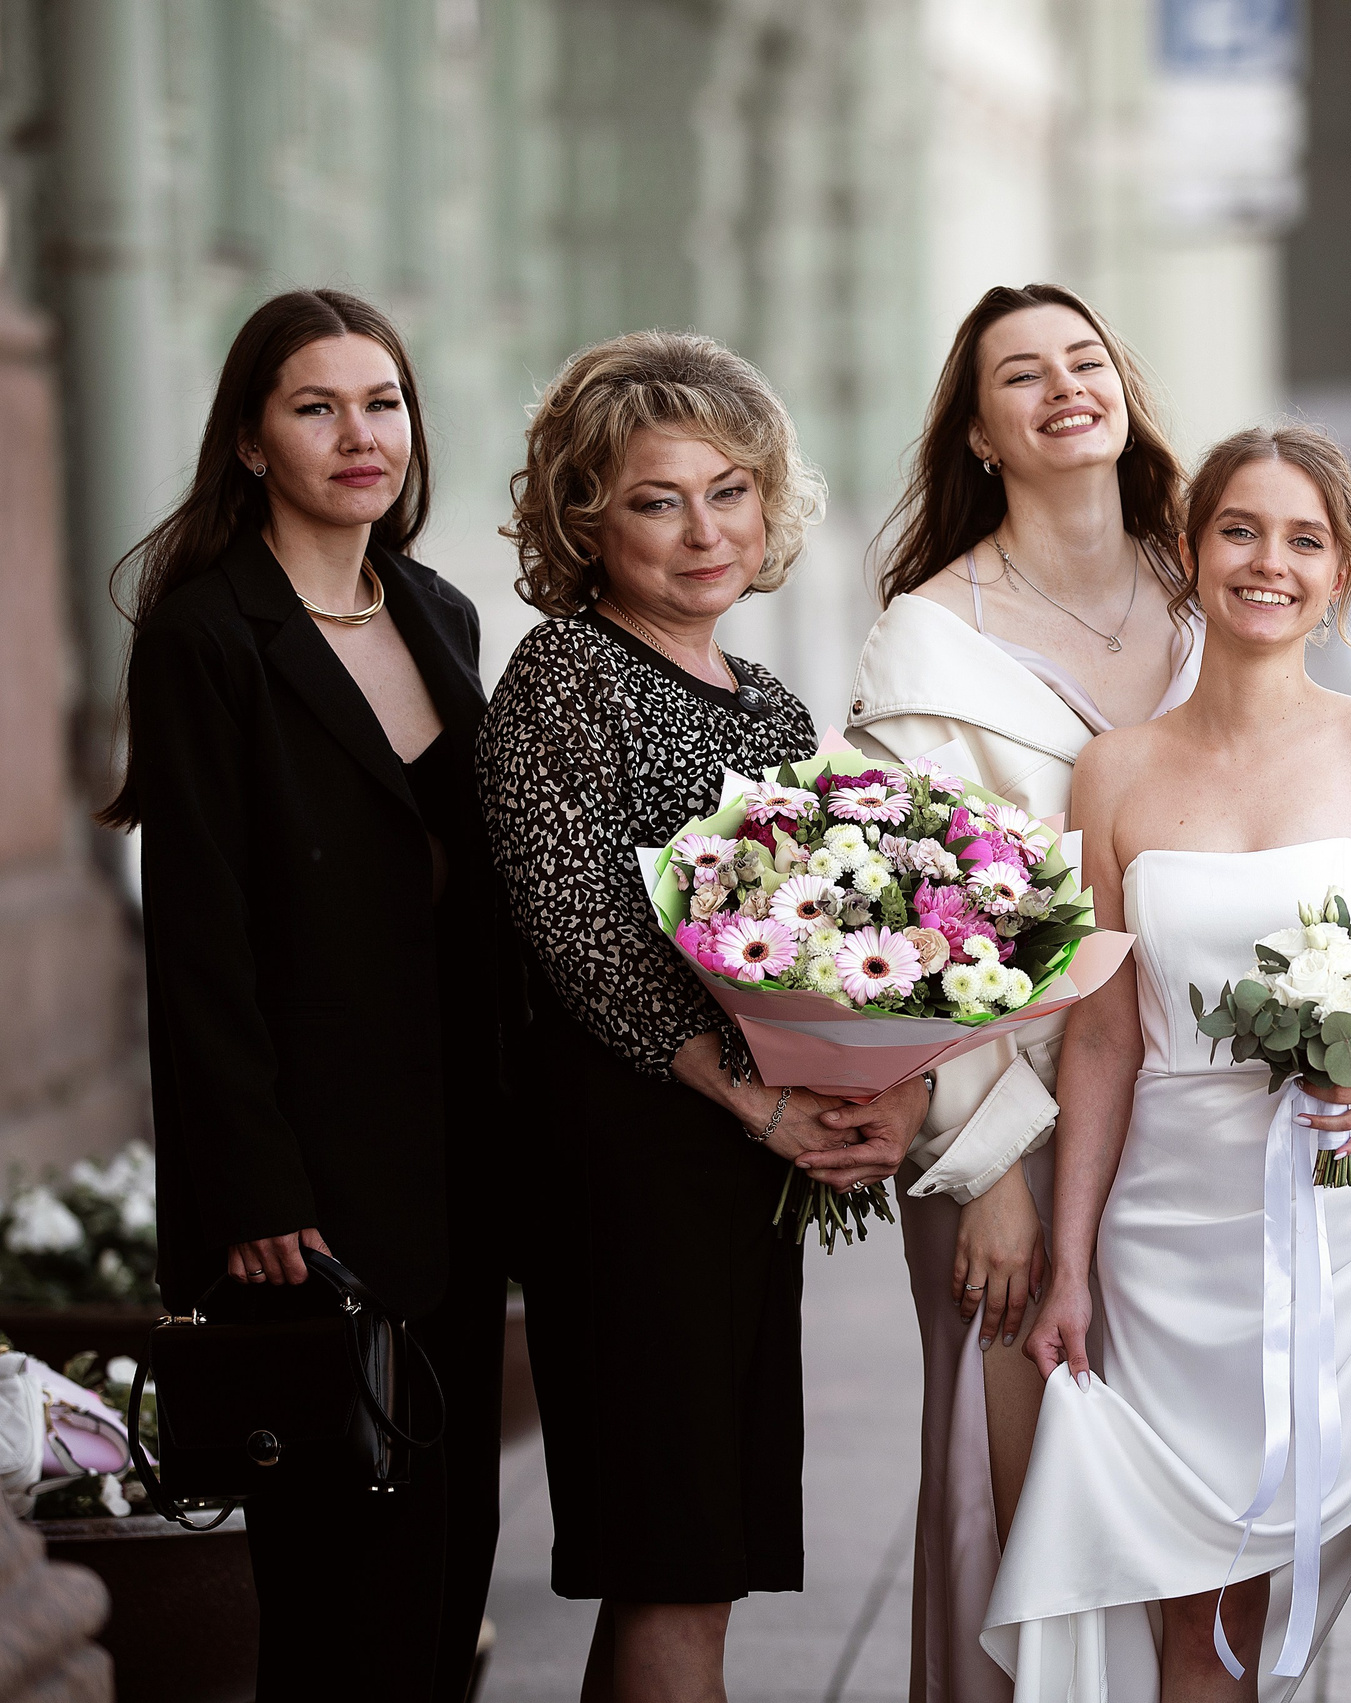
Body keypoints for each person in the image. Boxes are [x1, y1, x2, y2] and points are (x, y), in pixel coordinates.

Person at [988, 425, 1351, 1703]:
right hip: (1175, 1241)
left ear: (1338, 574)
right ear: (1190, 548)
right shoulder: (1112, 775)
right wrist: (1070, 1259)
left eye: (1302, 539)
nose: (1267, 562)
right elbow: (1105, 1028)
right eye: (1239, 530)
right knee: (1204, 1642)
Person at [476, 331, 927, 1702]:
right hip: (631, 1163)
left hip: (739, 1175)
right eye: (656, 500)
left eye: (729, 491)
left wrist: (860, 1084)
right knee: (674, 1558)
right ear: (584, 519)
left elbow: (835, 934)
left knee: (692, 1561)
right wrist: (758, 1099)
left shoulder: (773, 703)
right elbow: (588, 943)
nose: (702, 529)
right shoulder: (565, 678)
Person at [105, 287, 509, 1701]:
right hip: (312, 1187)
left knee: (450, 1563)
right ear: (249, 442)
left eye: (383, 401)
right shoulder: (208, 638)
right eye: (316, 406)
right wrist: (254, 1186)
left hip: (458, 1162)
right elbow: (199, 940)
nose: (361, 434)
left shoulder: (439, 610)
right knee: (342, 1580)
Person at [849, 283, 1196, 1703]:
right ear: (979, 434)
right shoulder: (926, 643)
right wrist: (981, 1167)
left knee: (1187, 1495)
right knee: (1016, 1497)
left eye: (1086, 359)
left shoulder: (1204, 590)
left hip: (1197, 1112)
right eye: (1021, 375)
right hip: (1018, 1122)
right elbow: (897, 939)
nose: (1065, 387)